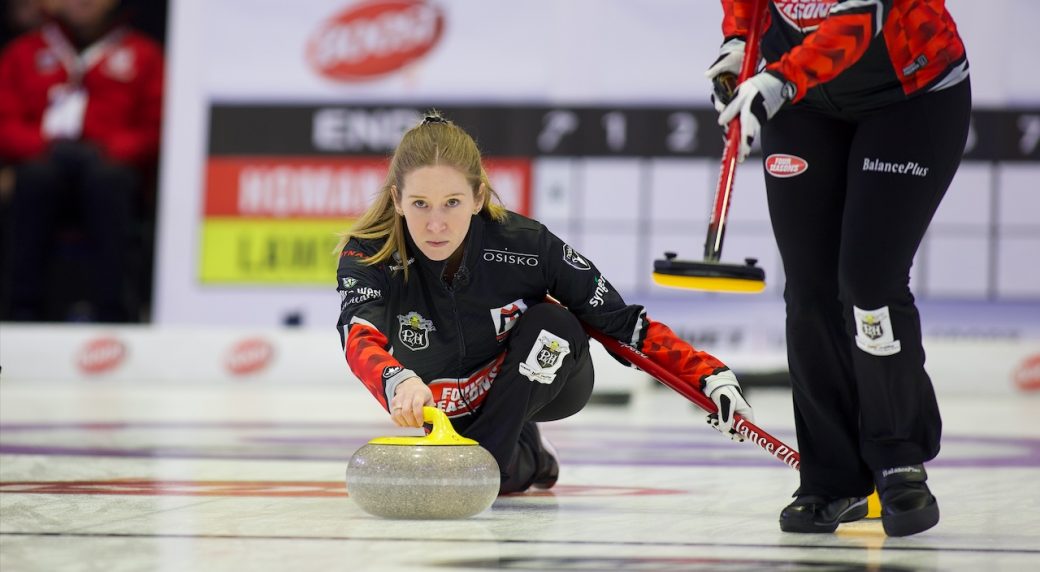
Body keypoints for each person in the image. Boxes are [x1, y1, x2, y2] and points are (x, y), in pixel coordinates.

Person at [335, 113, 755, 494]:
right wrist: (396, 381)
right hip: (442, 405)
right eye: (420, 204)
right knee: (497, 469)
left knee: (554, 324)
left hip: (546, 384)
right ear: (397, 200)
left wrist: (707, 376)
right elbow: (358, 336)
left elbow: (621, 323)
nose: (436, 224)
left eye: (453, 203)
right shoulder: (368, 254)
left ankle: (491, 460)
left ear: (478, 198)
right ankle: (526, 454)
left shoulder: (527, 245)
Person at [706, 0, 971, 536]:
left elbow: (858, 21)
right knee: (808, 291)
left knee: (869, 282)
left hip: (908, 94)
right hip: (803, 101)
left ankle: (899, 459)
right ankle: (832, 478)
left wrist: (779, 79)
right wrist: (738, 43)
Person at [0, 0, 163, 322]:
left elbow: (157, 124)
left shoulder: (144, 54)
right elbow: (5, 119)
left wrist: (110, 151)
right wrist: (41, 146)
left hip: (110, 171)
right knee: (34, 181)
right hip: (42, 163)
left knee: (109, 183)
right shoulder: (23, 51)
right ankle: (20, 313)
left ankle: (116, 313)